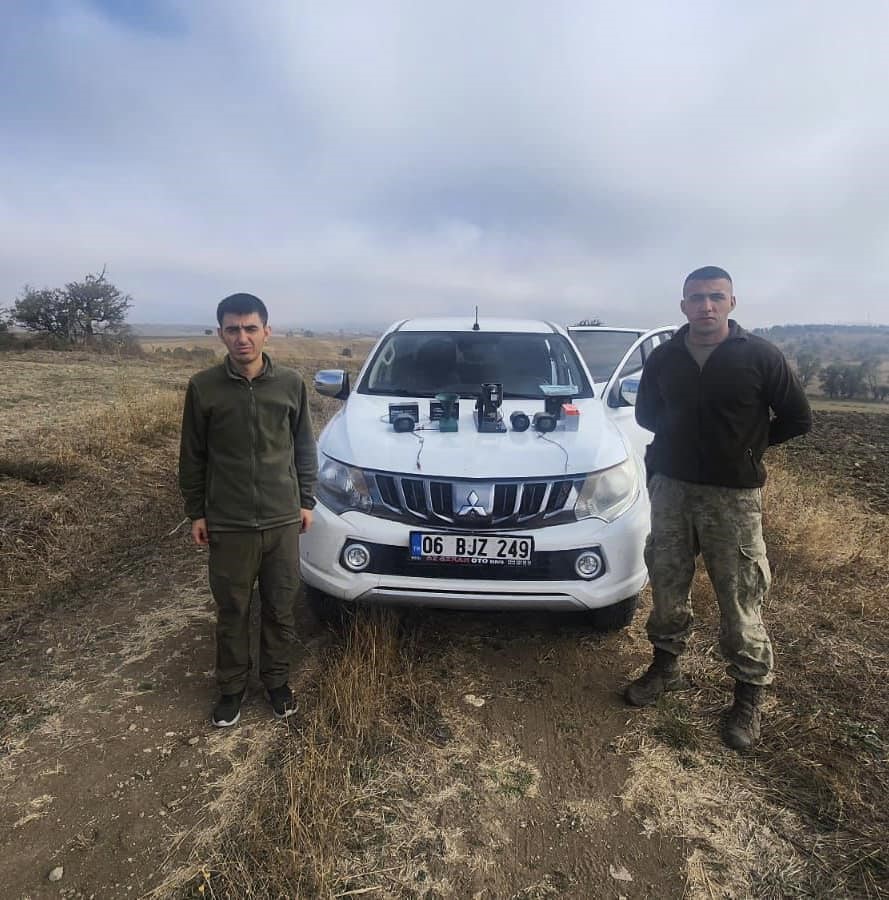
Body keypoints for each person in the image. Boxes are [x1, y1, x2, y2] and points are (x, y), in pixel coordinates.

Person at [625, 266, 812, 750]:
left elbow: (797, 418)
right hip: (672, 488)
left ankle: (747, 698)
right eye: (696, 298)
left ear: (732, 302)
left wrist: (748, 447)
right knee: (666, 580)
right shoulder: (665, 358)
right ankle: (665, 667)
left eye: (715, 297)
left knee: (740, 595)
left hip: (733, 497)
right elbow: (647, 414)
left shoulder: (760, 357)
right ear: (682, 305)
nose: (705, 306)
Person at [178, 293, 318, 727]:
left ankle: (276, 682)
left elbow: (303, 446)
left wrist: (306, 500)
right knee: (233, 609)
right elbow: (193, 455)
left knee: (279, 605)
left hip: (281, 519)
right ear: (221, 333)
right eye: (233, 329)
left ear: (266, 331)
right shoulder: (204, 387)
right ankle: (231, 689)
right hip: (229, 521)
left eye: (251, 328)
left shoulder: (291, 384)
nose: (242, 337)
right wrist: (196, 511)